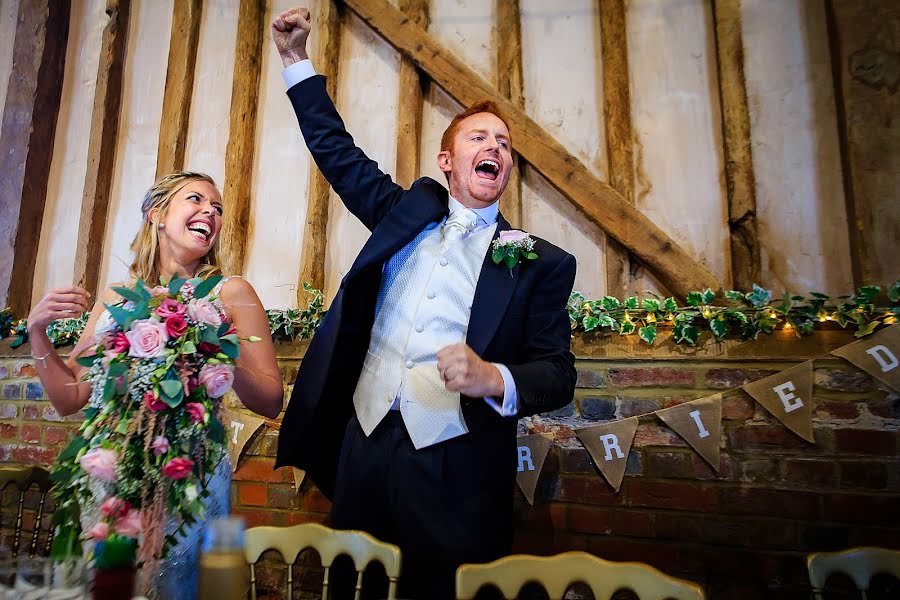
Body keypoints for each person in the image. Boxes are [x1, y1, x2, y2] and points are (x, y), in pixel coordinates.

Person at [271, 7, 577, 599]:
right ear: (447, 161)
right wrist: (294, 62)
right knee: (350, 587)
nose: (496, 148)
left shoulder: (541, 262)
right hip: (363, 442)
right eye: (479, 137)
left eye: (505, 144)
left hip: (456, 465)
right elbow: (338, 153)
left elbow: (559, 375)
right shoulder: (402, 216)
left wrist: (492, 377)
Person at [26, 171, 284, 599]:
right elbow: (70, 395)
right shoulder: (117, 298)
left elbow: (271, 400)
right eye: (196, 200)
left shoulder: (231, 292)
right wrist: (38, 332)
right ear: (156, 215)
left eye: (217, 208)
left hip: (190, 477)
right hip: (115, 474)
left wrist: (217, 347)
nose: (210, 213)